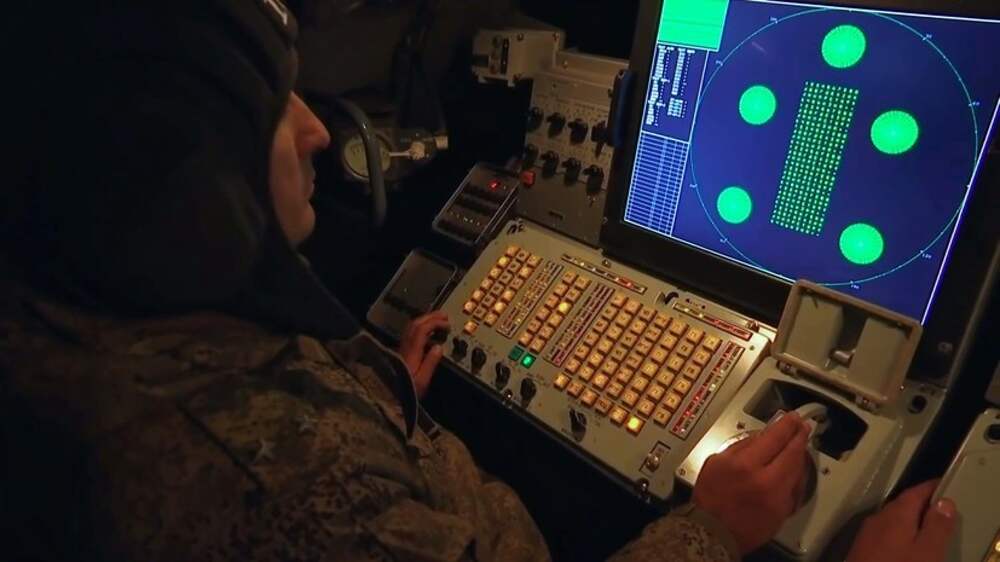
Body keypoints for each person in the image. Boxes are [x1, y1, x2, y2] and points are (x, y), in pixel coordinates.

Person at [0, 1, 956, 561]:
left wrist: (376, 399)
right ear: (183, 186)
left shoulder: (85, 307)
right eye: (267, 111)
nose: (317, 129)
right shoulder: (297, 494)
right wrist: (712, 531)